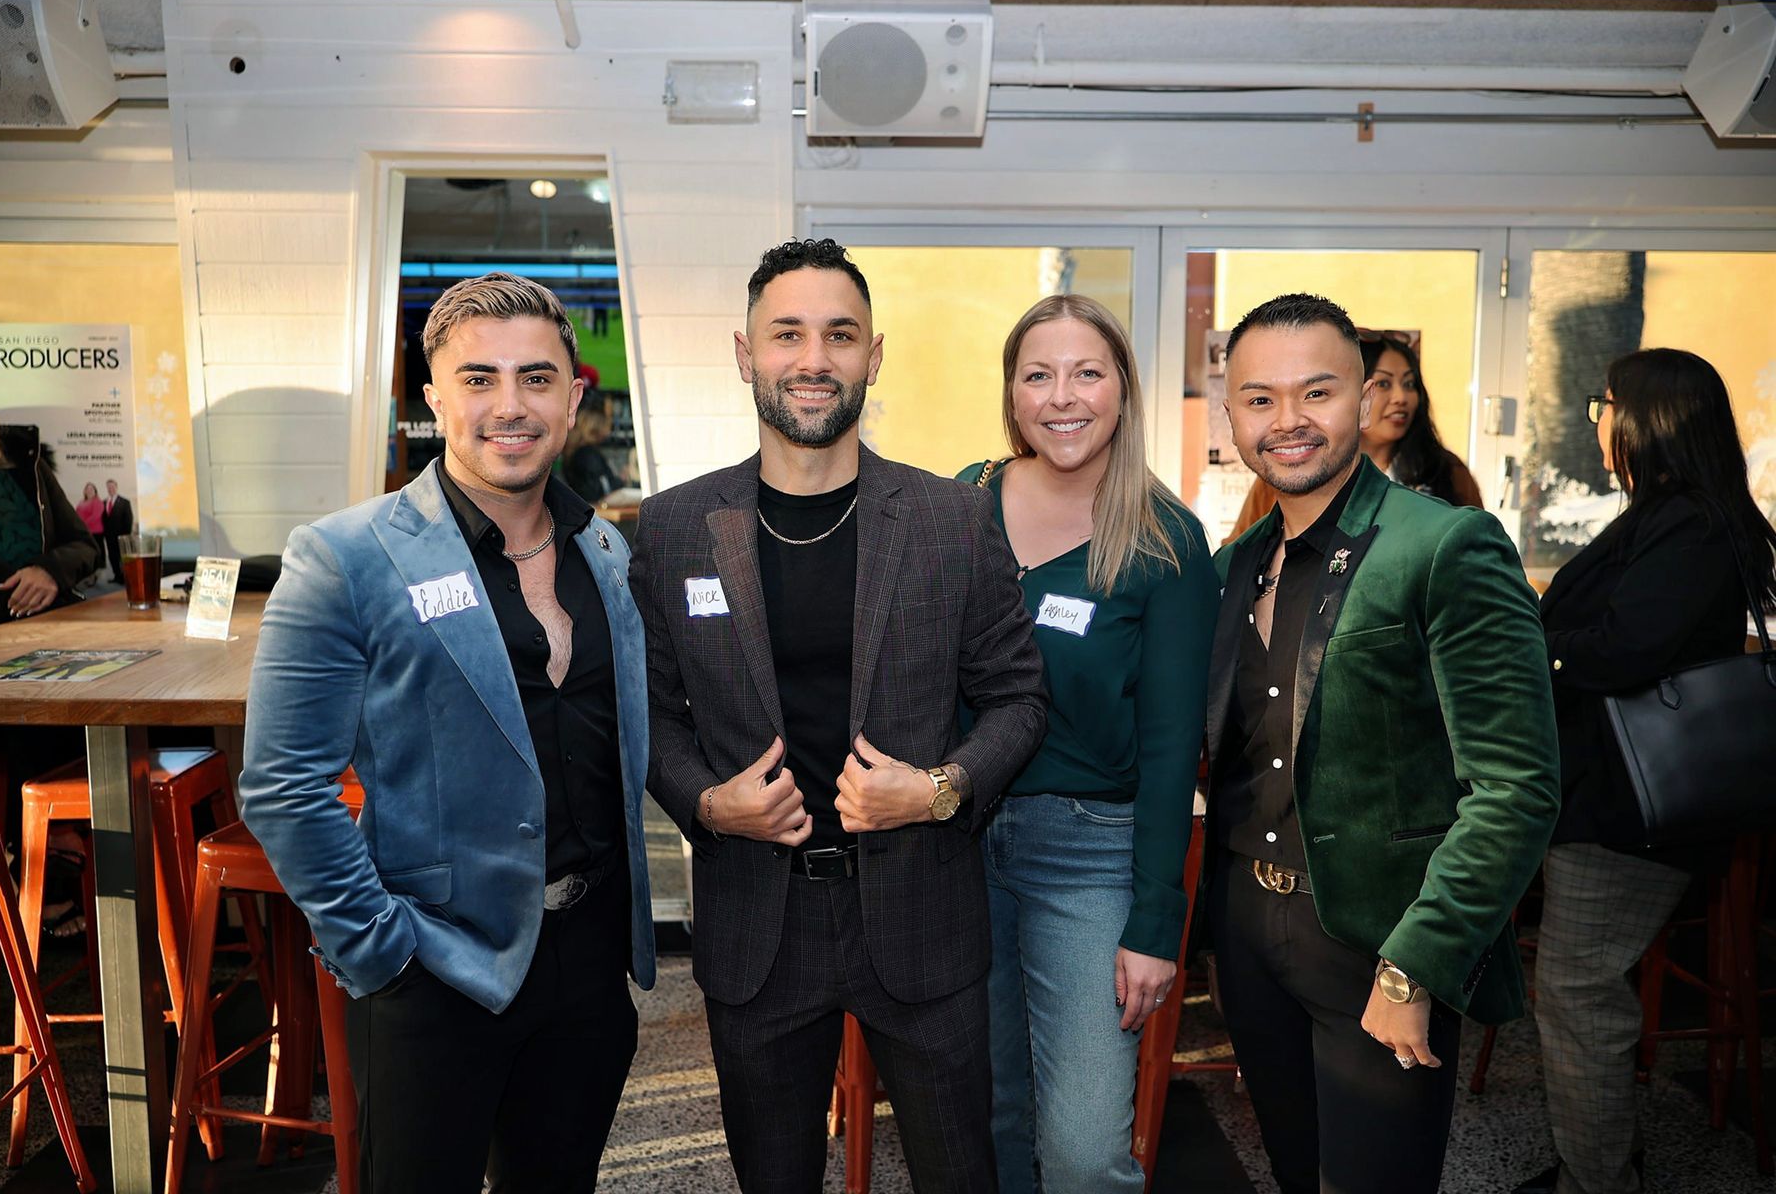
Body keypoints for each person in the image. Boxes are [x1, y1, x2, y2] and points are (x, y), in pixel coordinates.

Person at [628, 238, 1046, 1194]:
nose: (814, 358)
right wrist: (707, 804)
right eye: (788, 334)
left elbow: (1020, 698)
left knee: (960, 1175)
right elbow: (650, 711)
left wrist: (939, 789)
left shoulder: (951, 519)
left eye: (840, 335)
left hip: (921, 910)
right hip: (756, 921)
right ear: (746, 355)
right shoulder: (678, 526)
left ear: (873, 355)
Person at [239, 271, 655, 1194]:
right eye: (478, 379)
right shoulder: (345, 556)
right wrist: (382, 953)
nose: (510, 405)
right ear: (434, 399)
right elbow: (282, 784)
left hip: (588, 965)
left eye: (537, 378)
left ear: (574, 399)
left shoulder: (605, 551)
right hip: (434, 970)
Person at [1205, 293, 1560, 1193]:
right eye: (1260, 399)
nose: (1287, 420)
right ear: (1232, 413)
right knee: (1296, 1172)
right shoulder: (1234, 564)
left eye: (1316, 392)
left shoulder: (1446, 544)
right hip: (1246, 933)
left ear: (1362, 400)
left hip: (1380, 943)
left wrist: (1416, 965)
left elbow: (1515, 788)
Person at [955, 295, 1215, 1193]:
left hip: (1088, 855)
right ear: (1012, 393)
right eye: (1039, 374)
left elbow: (1174, 746)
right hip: (957, 839)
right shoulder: (966, 501)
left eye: (1087, 372)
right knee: (986, 1116)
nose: (1062, 396)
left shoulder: (1165, 541)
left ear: (1123, 390)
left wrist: (1156, 923)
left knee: (1081, 1151)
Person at [1519, 348, 1776, 1194]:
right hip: (1615, 793)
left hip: (1630, 809)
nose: (1599, 422)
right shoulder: (1672, 514)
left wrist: (1530, 649)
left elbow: (1626, 647)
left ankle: (1598, 1180)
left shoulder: (1690, 524)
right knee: (1579, 989)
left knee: (1578, 993)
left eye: (1606, 406)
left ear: (1647, 421)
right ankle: (1596, 1163)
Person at [1229, 332, 1481, 538]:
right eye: (1384, 384)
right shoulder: (1290, 469)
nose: (1400, 398)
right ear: (1361, 399)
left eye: (1409, 384)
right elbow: (1243, 552)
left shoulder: (1446, 470)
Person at [0, 371, 100, 630]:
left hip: (57, 625)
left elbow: (84, 546)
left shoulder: (24, 458)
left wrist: (49, 571)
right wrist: (24, 592)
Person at [561, 399, 624, 505]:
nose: (609, 426)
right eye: (607, 421)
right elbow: (604, 490)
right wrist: (620, 480)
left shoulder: (573, 452)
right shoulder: (588, 455)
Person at [100, 477, 133, 584]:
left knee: (122, 558)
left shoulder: (124, 502)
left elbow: (129, 520)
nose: (111, 489)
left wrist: (125, 535)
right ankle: (117, 576)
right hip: (109, 536)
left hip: (121, 536)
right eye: (109, 487)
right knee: (112, 557)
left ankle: (125, 577)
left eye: (112, 487)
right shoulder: (104, 502)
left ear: (116, 487)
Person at [75, 482, 106, 568]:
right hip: (84, 530)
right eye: (87, 489)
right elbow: (76, 514)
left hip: (96, 531)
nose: (89, 491)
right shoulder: (81, 502)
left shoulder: (97, 502)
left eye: (91, 489)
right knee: (87, 550)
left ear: (95, 491)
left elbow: (96, 516)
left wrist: (83, 524)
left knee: (97, 550)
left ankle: (100, 566)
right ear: (84, 491)